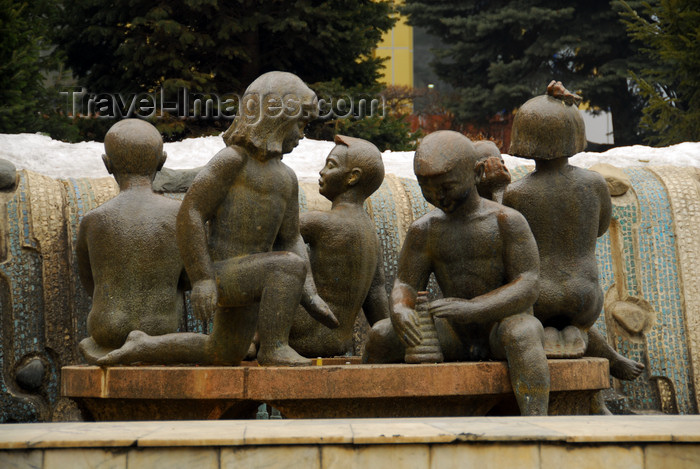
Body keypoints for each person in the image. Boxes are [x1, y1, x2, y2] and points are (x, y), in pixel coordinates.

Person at [98, 71, 338, 367]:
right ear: (275, 117)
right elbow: (191, 212)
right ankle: (275, 348)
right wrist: (202, 279)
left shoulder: (287, 178)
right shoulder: (232, 161)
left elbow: (290, 238)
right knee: (286, 266)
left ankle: (143, 345)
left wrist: (311, 295)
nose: (303, 134)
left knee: (222, 352)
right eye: (300, 123)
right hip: (221, 274)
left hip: (255, 275)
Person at [364, 130, 550, 416]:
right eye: (427, 189)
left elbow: (528, 284)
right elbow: (406, 283)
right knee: (381, 334)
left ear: (476, 173)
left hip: (501, 327)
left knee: (523, 333)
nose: (438, 197)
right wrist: (401, 308)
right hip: (453, 333)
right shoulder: (424, 230)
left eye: (447, 187)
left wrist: (474, 308)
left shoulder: (506, 221)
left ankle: (536, 422)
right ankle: (366, 418)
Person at [503, 81, 644, 380]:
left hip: (538, 297)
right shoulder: (594, 184)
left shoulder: (516, 193)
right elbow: (601, 228)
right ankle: (598, 348)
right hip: (585, 296)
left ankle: (560, 336)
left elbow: (508, 239)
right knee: (575, 326)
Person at [77, 119, 186, 364]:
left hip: (106, 329)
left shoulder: (92, 221)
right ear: (162, 161)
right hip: (159, 330)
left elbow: (90, 282)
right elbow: (190, 278)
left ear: (107, 164)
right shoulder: (179, 215)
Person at [288, 135, 390, 357]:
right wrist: (391, 336)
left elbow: (270, 238)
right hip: (338, 344)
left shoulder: (321, 223)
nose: (322, 172)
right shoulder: (370, 233)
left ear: (352, 177)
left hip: (301, 338)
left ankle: (254, 338)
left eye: (331, 165)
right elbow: (376, 295)